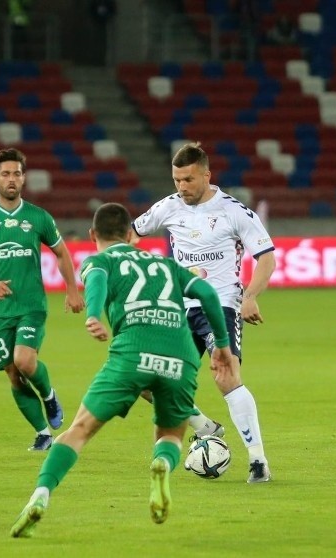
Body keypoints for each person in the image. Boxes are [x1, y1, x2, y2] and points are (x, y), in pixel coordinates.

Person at [10, 203, 234, 537]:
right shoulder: (164, 263)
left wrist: (94, 313)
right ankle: (161, 464)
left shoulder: (98, 261)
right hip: (181, 355)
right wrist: (222, 346)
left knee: (79, 430)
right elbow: (204, 291)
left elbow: (97, 279)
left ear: (92, 235)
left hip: (132, 351)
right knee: (171, 434)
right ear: (131, 235)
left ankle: (40, 496)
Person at [133, 142, 276, 483]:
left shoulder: (234, 211)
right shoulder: (168, 207)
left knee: (224, 375)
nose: (181, 187)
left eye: (188, 180)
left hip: (221, 305)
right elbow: (130, 233)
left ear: (207, 175)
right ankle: (205, 426)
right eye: (176, 180)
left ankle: (258, 461)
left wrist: (251, 296)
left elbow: (266, 258)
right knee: (143, 377)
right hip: (178, 308)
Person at [0, 148, 84, 451]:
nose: (11, 179)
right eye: (5, 174)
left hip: (31, 306)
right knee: (13, 375)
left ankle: (49, 395)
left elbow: (61, 253)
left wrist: (71, 289)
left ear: (24, 178)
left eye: (16, 173)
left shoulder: (38, 217)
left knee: (24, 360)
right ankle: (43, 433)